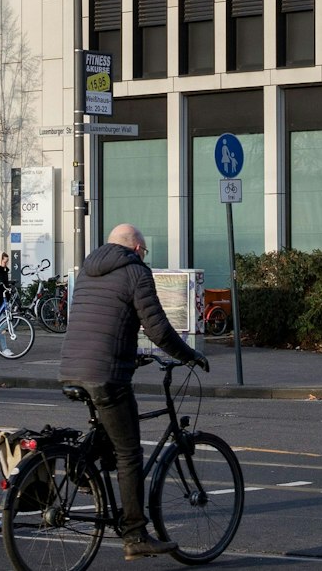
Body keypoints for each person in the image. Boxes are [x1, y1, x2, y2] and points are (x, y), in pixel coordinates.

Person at [61, 224, 208, 559]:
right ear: (137, 248)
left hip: (72, 367)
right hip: (106, 373)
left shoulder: (87, 269)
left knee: (108, 429)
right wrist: (189, 355)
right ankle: (135, 535)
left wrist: (134, 354)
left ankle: (82, 467)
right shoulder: (135, 272)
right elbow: (157, 328)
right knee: (129, 454)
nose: (144, 256)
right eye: (145, 252)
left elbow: (103, 320)